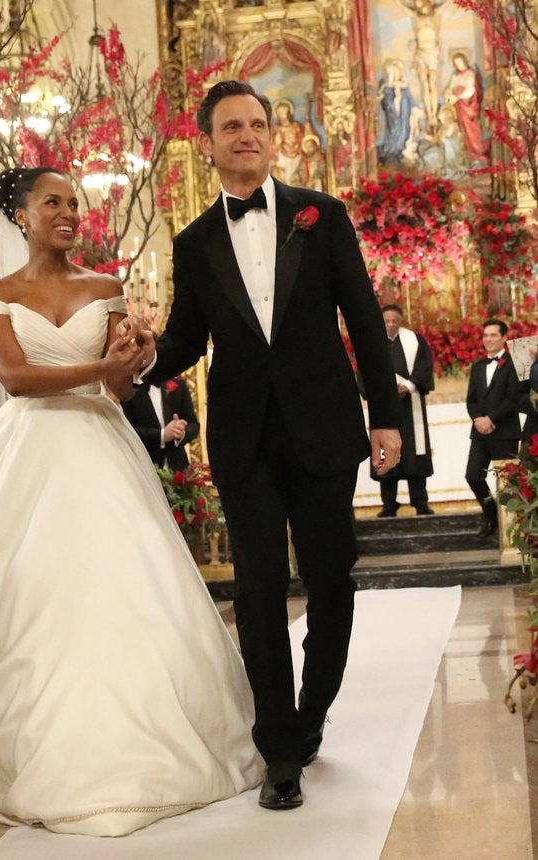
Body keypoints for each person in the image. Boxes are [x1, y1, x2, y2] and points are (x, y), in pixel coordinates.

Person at [0, 167, 262, 835]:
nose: (69, 212)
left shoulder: (106, 288)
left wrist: (136, 360)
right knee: (29, 590)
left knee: (120, 584)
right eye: (53, 202)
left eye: (74, 202)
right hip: (29, 448)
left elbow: (121, 388)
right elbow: (15, 377)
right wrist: (102, 369)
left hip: (101, 444)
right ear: (21, 216)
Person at [143, 80, 401, 810]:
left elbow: (362, 317)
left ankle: (311, 713)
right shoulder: (194, 242)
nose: (248, 135)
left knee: (332, 580)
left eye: (257, 123)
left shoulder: (323, 216)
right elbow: (185, 339)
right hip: (244, 436)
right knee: (257, 590)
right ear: (209, 143)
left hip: (323, 427)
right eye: (232, 126)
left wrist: (385, 416)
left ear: (271, 135)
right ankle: (278, 748)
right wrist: (139, 357)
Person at [372, 304, 435, 517]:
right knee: (385, 451)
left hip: (410, 405)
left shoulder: (415, 341)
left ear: (401, 322)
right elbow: (365, 372)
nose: (390, 325)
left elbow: (425, 366)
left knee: (414, 454)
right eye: (386, 321)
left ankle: (420, 502)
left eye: (394, 321)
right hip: (385, 408)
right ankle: (389, 504)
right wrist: (386, 390)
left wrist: (408, 385)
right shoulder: (372, 342)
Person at [465, 318, 523, 537]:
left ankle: (511, 527)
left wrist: (491, 420)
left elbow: (513, 398)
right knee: (473, 476)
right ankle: (492, 516)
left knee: (507, 482)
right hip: (480, 433)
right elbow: (471, 400)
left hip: (505, 432)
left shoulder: (513, 363)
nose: (488, 339)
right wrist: (478, 420)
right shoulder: (478, 366)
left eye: (493, 335)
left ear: (504, 337)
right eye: (485, 335)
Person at [122, 374, 200, 471]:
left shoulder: (179, 386)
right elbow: (127, 430)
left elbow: (194, 424)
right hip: (145, 466)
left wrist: (180, 432)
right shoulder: (129, 390)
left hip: (178, 467)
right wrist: (162, 435)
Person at [444, 51, 490, 163]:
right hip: (458, 106)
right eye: (456, 63)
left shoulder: (470, 74)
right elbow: (450, 87)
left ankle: (477, 150)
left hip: (468, 106)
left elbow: (471, 90)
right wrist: (449, 93)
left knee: (470, 129)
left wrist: (458, 96)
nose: (458, 65)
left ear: (464, 61)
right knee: (461, 128)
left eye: (460, 62)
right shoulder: (455, 75)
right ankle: (467, 152)